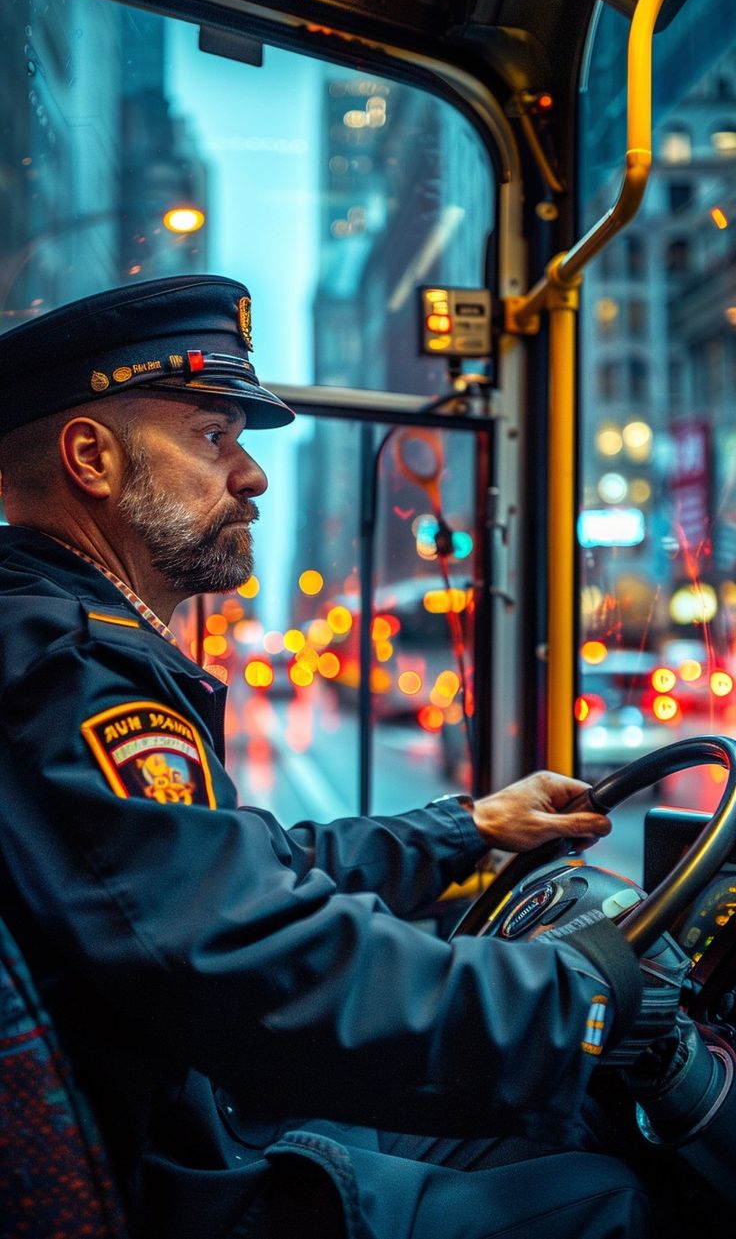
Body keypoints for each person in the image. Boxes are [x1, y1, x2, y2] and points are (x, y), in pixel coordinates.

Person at [0, 274, 671, 1239]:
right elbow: (251, 953)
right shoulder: (73, 670)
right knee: (604, 1195)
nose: (253, 475)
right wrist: (581, 999)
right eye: (213, 437)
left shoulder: (65, 635)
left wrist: (469, 825)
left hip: (191, 1117)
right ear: (92, 457)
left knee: (552, 1125)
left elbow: (243, 873)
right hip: (183, 1175)